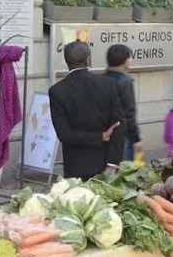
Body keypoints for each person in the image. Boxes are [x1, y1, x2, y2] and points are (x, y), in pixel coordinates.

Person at [48, 40, 125, 180]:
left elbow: (65, 134)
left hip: (75, 167)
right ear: (88, 60)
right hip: (105, 163)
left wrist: (98, 137)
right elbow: (119, 124)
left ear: (66, 61)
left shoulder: (57, 91)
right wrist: (113, 163)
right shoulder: (107, 84)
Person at [102, 44, 142, 164]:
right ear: (124, 61)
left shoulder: (101, 78)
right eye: (129, 57)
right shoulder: (125, 81)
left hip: (105, 132)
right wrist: (136, 138)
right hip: (123, 135)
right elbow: (129, 112)